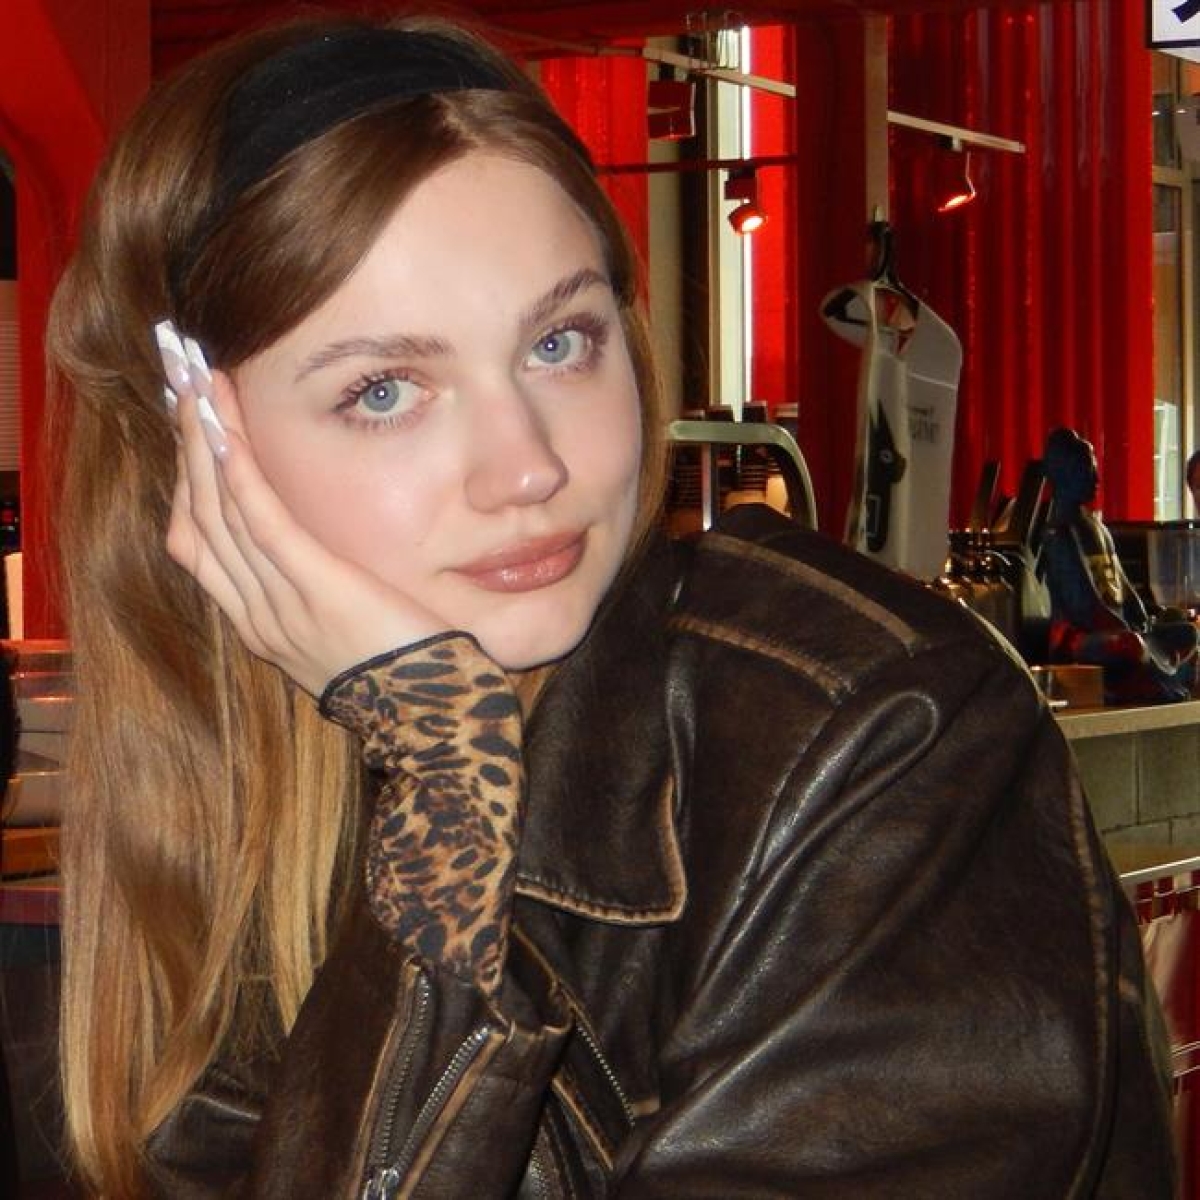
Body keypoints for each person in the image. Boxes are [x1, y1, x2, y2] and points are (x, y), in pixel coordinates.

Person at [47, 15, 1175, 1199]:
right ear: (195, 445)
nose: (529, 466)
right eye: (384, 390)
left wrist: (444, 781)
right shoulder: (241, 772)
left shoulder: (886, 733)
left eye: (559, 341)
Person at [1040, 426, 1197, 704]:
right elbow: (1083, 604)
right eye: (1087, 469)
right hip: (1084, 635)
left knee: (1186, 633)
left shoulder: (1098, 528)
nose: (1096, 478)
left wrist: (1142, 615)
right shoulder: (1059, 532)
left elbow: (1123, 585)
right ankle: (1159, 680)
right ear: (1064, 473)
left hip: (1121, 625)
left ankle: (1161, 676)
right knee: (1128, 646)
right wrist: (1128, 627)